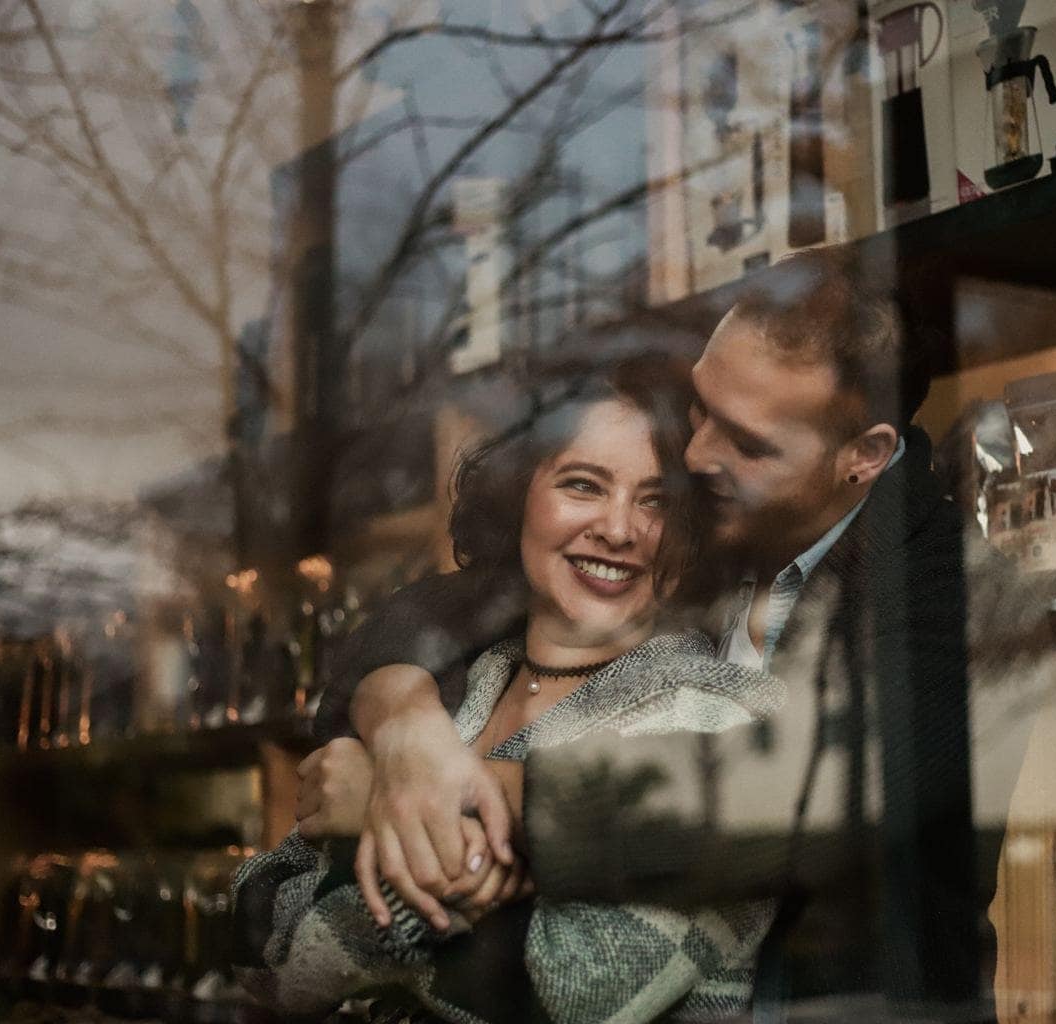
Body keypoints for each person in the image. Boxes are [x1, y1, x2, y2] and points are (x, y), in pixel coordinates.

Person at [304, 245, 992, 1020]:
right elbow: (436, 606)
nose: (697, 454)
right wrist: (403, 725)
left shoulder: (956, 586)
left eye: (747, 441)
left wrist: (448, 794)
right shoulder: (717, 523)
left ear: (863, 457)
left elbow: (813, 791)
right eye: (702, 407)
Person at [232, 355, 788, 1023]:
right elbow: (254, 916)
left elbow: (584, 991)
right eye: (583, 485)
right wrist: (488, 868)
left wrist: (379, 828)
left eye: (656, 501)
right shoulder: (459, 685)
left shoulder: (719, 714)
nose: (619, 529)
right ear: (518, 496)